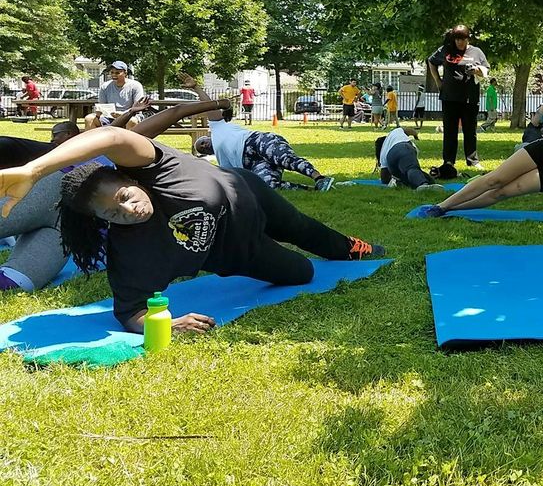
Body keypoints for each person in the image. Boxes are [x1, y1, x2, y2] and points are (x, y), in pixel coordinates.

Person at [0, 126, 384, 333]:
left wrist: (34, 170)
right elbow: (130, 312)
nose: (128, 211)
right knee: (303, 272)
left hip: (248, 194)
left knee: (302, 227)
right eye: (112, 215)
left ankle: (350, 247)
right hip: (240, 252)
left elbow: (113, 137)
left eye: (124, 196)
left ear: (129, 177)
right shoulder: (131, 250)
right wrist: (167, 321)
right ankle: (288, 253)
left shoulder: (158, 168)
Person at [0, 98, 234, 293]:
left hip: (68, 230)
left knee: (16, 283)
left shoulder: (181, 200)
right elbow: (173, 113)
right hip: (55, 191)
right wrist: (216, 102)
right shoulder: (136, 155)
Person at [187, 95, 334, 192]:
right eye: (203, 149)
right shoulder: (222, 162)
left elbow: (209, 106)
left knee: (284, 158)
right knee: (268, 186)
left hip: (257, 142)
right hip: (253, 165)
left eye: (203, 143)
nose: (205, 146)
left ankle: (319, 178)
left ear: (207, 136)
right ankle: (311, 190)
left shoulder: (217, 127)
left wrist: (196, 87)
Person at [427, 25, 488, 173]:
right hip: (449, 97)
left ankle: (473, 161)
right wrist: (438, 81)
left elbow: (486, 70)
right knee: (450, 131)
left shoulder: (476, 52)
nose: (460, 42)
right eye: (457, 39)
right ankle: (448, 161)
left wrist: (476, 70)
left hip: (469, 98)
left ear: (468, 38)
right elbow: (431, 61)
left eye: (463, 39)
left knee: (470, 131)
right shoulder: (446, 50)